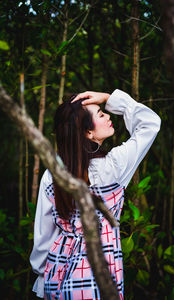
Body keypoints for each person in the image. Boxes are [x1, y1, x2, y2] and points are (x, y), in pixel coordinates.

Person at [30, 89, 161, 299]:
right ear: (88, 133)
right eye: (101, 114)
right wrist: (110, 98)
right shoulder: (114, 166)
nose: (108, 115)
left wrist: (42, 275)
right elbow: (150, 123)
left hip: (58, 275)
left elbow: (44, 237)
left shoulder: (53, 174)